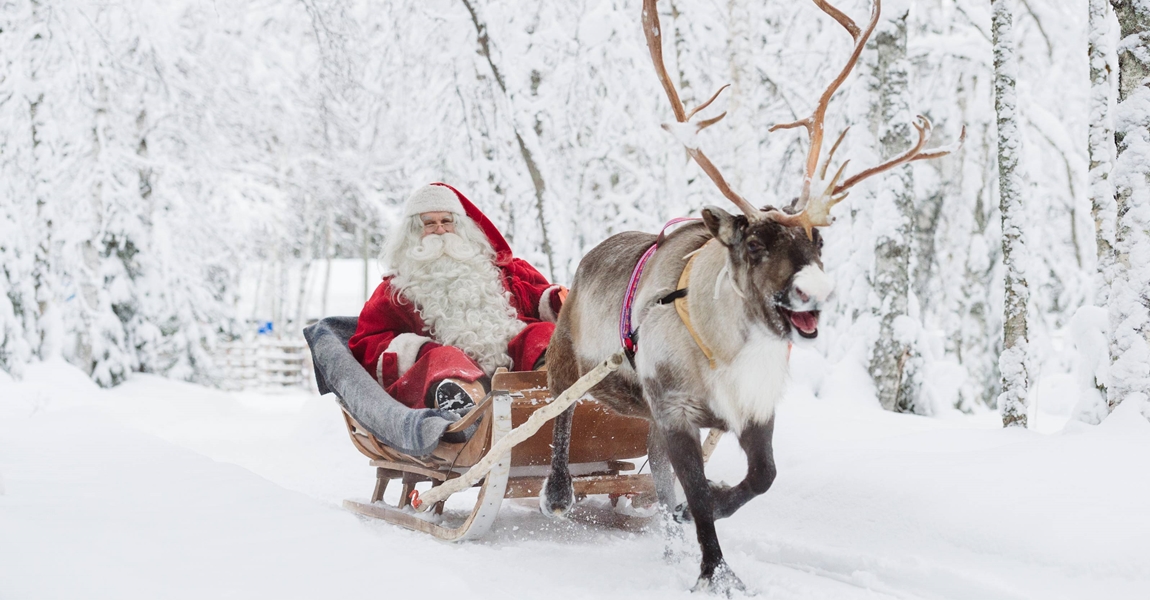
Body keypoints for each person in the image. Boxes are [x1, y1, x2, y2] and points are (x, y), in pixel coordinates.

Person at [349, 183, 565, 412]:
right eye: (429, 223)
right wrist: (419, 350)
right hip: (448, 377)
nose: (440, 230)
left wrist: (561, 301)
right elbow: (368, 342)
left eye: (447, 221)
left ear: (461, 226)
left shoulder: (502, 270)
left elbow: (540, 295)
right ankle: (467, 406)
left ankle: (551, 388)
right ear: (412, 232)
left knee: (541, 334)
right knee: (442, 358)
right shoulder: (395, 290)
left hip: (518, 369)